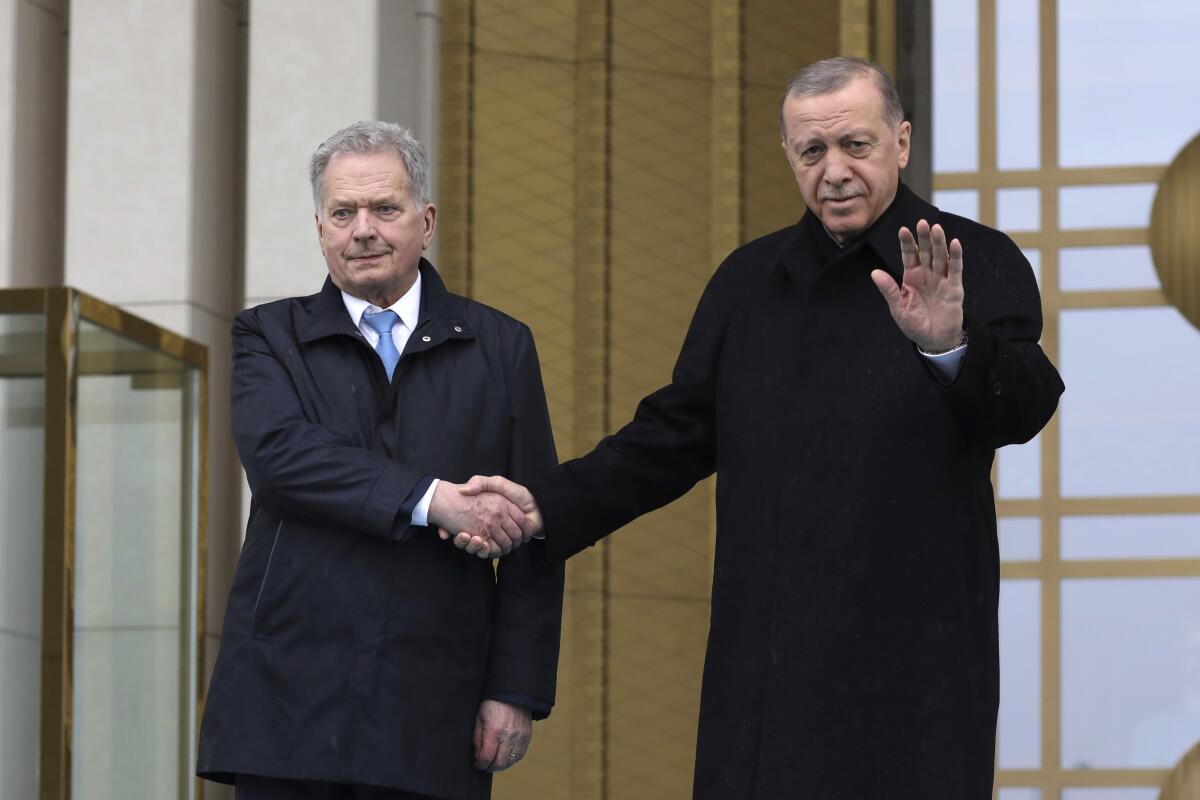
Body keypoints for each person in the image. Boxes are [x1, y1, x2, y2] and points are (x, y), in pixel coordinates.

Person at [448, 58, 1065, 798]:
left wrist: (946, 344)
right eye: (812, 152)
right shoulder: (749, 280)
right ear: (790, 158)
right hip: (769, 666)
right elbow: (673, 435)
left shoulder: (972, 259)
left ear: (901, 142)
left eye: (856, 146)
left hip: (917, 660)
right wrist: (546, 505)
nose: (833, 171)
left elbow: (1023, 410)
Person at [196, 121, 564, 800]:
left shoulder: (501, 347)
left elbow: (534, 529)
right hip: (289, 706)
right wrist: (435, 500)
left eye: (384, 209)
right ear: (320, 229)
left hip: (436, 705)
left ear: (425, 222)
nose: (362, 229)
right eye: (343, 213)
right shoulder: (268, 335)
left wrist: (515, 689)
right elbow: (279, 458)